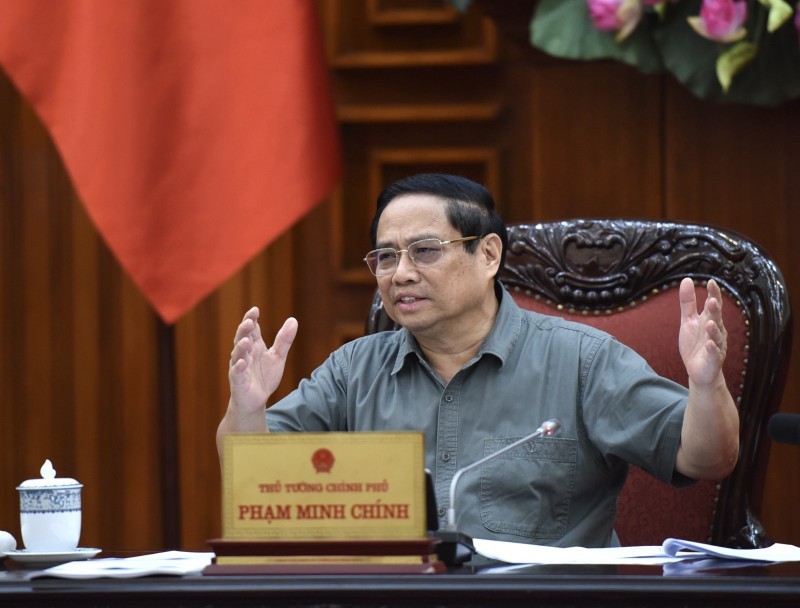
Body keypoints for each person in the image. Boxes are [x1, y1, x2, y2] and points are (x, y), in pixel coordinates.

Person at [217, 173, 739, 548]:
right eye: (385, 256)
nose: (399, 274)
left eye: (424, 251)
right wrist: (248, 406)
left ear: (488, 255)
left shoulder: (581, 360)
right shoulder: (354, 370)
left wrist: (706, 383)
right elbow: (250, 476)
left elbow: (706, 458)